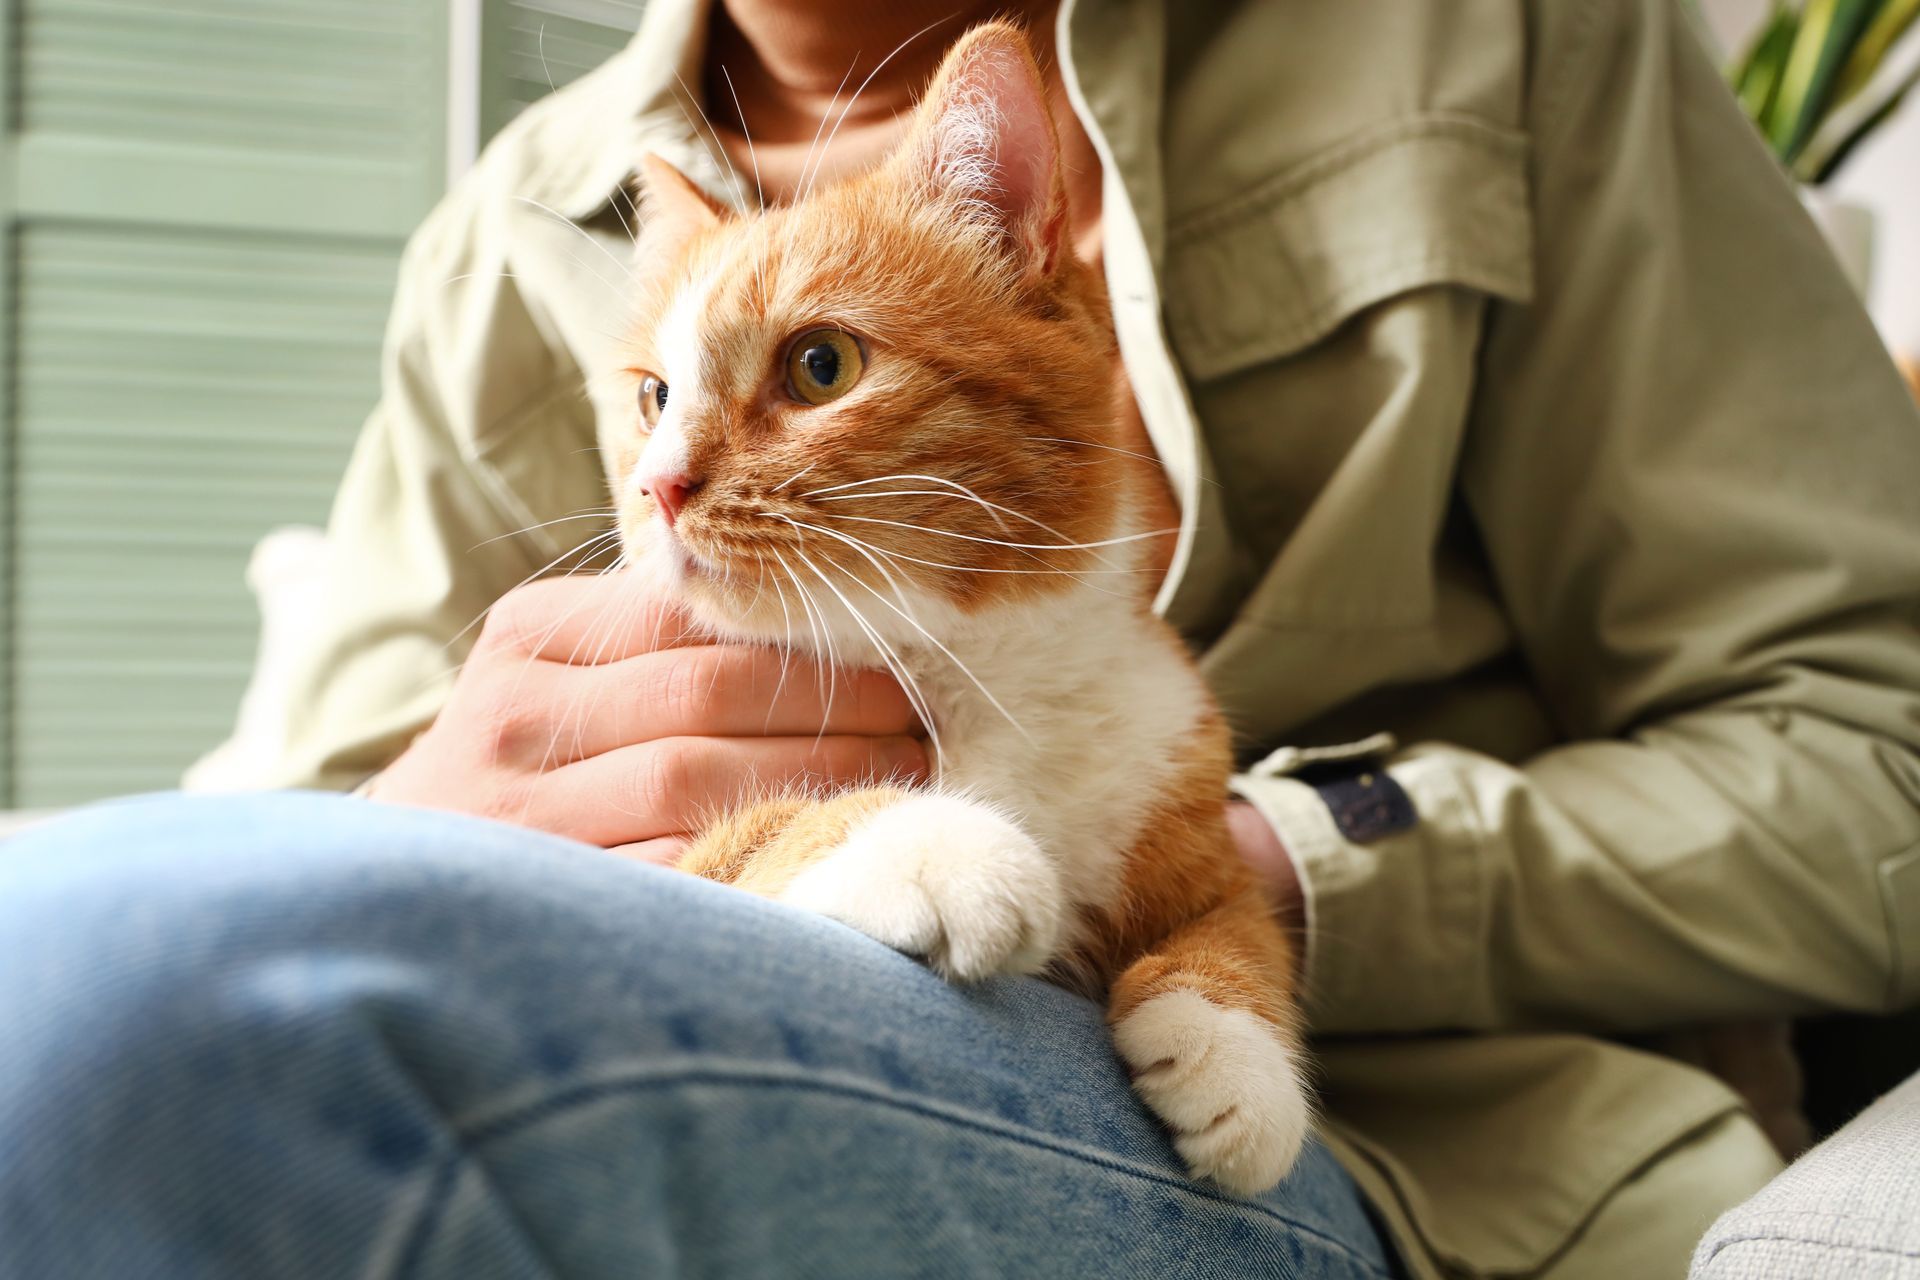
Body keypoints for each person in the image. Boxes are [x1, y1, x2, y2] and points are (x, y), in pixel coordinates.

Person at [5, 1, 1918, 1276]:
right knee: (102, 968)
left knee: (138, 1023)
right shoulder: (510, 229)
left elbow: (1878, 746)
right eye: (658, 398)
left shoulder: (1482, 35)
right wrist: (431, 814)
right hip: (692, 993)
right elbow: (274, 827)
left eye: (814, 369)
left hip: (1397, 1152)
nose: (674, 462)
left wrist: (1240, 874)